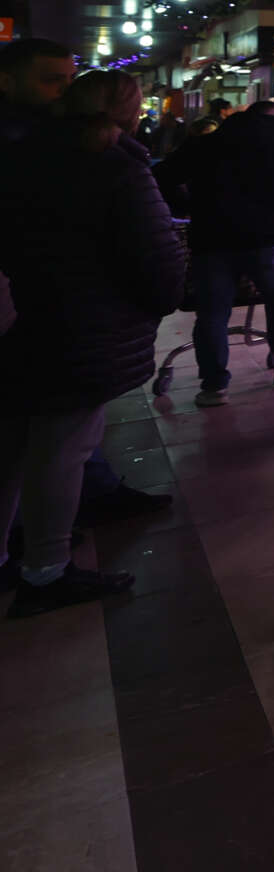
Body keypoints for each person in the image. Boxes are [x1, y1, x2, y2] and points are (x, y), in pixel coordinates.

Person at [0, 71, 186, 615]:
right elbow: (156, 259)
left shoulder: (23, 156)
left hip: (25, 317)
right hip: (83, 327)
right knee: (64, 448)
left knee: (12, 446)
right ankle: (46, 571)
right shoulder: (117, 166)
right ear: (129, 110)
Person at [168, 98, 274, 403]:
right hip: (268, 238)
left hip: (211, 238)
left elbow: (163, 177)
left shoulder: (208, 142)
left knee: (212, 312)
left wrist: (190, 207)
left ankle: (213, 384)